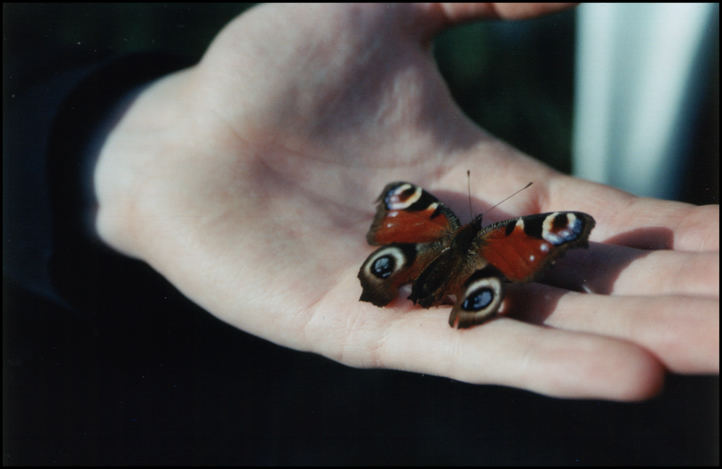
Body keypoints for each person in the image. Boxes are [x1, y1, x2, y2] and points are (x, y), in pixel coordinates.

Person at [6, 0, 718, 433]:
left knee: (431, 272)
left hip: (418, 260)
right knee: (479, 283)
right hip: (479, 274)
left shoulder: (422, 215)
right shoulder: (504, 241)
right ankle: (458, 294)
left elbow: (406, 205)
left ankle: (408, 281)